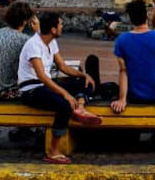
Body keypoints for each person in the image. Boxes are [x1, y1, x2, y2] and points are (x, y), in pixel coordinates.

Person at [18, 11, 103, 164]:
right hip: (32, 90)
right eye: (60, 24)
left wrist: (83, 75)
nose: (62, 27)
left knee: (85, 83)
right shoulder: (33, 45)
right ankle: (53, 151)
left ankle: (80, 108)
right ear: (53, 29)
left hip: (47, 85)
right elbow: (41, 77)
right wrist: (65, 94)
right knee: (63, 105)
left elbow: (63, 66)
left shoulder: (51, 42)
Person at [110, 0, 155, 119]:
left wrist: (122, 99)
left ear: (131, 19)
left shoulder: (122, 40)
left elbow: (123, 71)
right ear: (147, 16)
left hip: (133, 96)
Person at [0, 1, 37, 100]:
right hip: (3, 92)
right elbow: (40, 60)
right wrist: (38, 32)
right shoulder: (24, 40)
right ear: (25, 21)